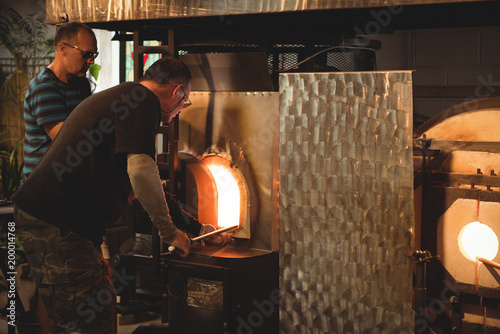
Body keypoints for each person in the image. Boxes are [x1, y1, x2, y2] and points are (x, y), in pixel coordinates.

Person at [12, 57, 230, 333]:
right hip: (56, 221)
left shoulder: (127, 98)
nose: (179, 111)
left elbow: (146, 188)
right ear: (176, 92)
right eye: (184, 102)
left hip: (54, 219)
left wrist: (196, 228)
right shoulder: (143, 101)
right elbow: (141, 172)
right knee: (93, 316)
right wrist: (170, 233)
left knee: (83, 311)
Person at [22, 21, 98, 178]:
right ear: (63, 48)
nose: (91, 61)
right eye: (86, 54)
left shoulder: (80, 83)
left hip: (66, 179)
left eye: (94, 55)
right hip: (43, 184)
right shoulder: (45, 87)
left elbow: (90, 125)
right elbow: (67, 141)